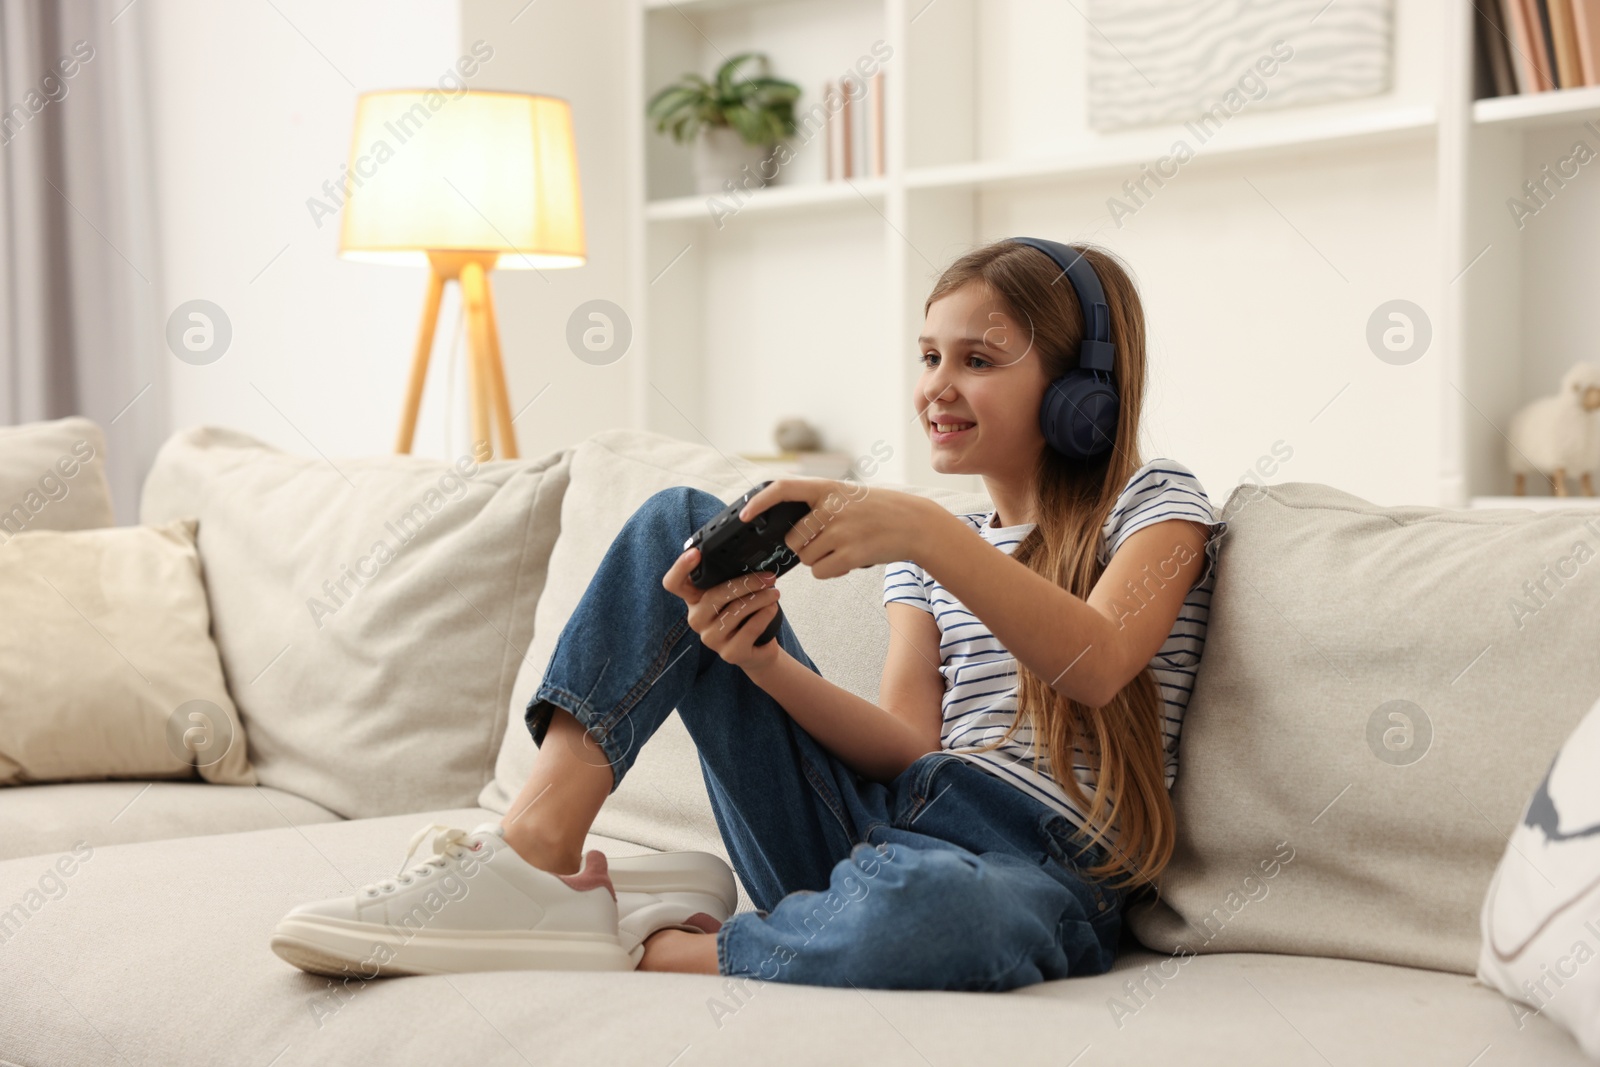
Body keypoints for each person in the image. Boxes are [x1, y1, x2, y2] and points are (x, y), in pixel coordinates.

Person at [271, 238, 1228, 992]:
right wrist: (765, 662)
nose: (936, 385)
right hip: (886, 822)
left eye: (976, 360)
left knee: (933, 913)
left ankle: (642, 941)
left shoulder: (1153, 506)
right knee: (678, 524)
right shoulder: (930, 554)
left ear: (1077, 397)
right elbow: (904, 746)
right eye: (930, 353)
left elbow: (1099, 662)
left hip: (1040, 867)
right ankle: (533, 854)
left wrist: (930, 534)